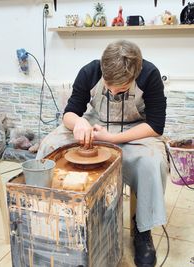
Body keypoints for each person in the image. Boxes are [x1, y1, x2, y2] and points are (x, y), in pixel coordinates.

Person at [36, 40, 169, 267]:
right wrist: (78, 124)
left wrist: (111, 139)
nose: (114, 92)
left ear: (136, 73)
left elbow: (156, 125)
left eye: (122, 89)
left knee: (152, 162)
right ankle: (50, 217)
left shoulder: (150, 75)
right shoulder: (90, 71)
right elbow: (69, 113)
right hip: (94, 125)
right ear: (103, 70)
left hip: (134, 130)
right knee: (51, 147)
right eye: (109, 87)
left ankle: (142, 230)